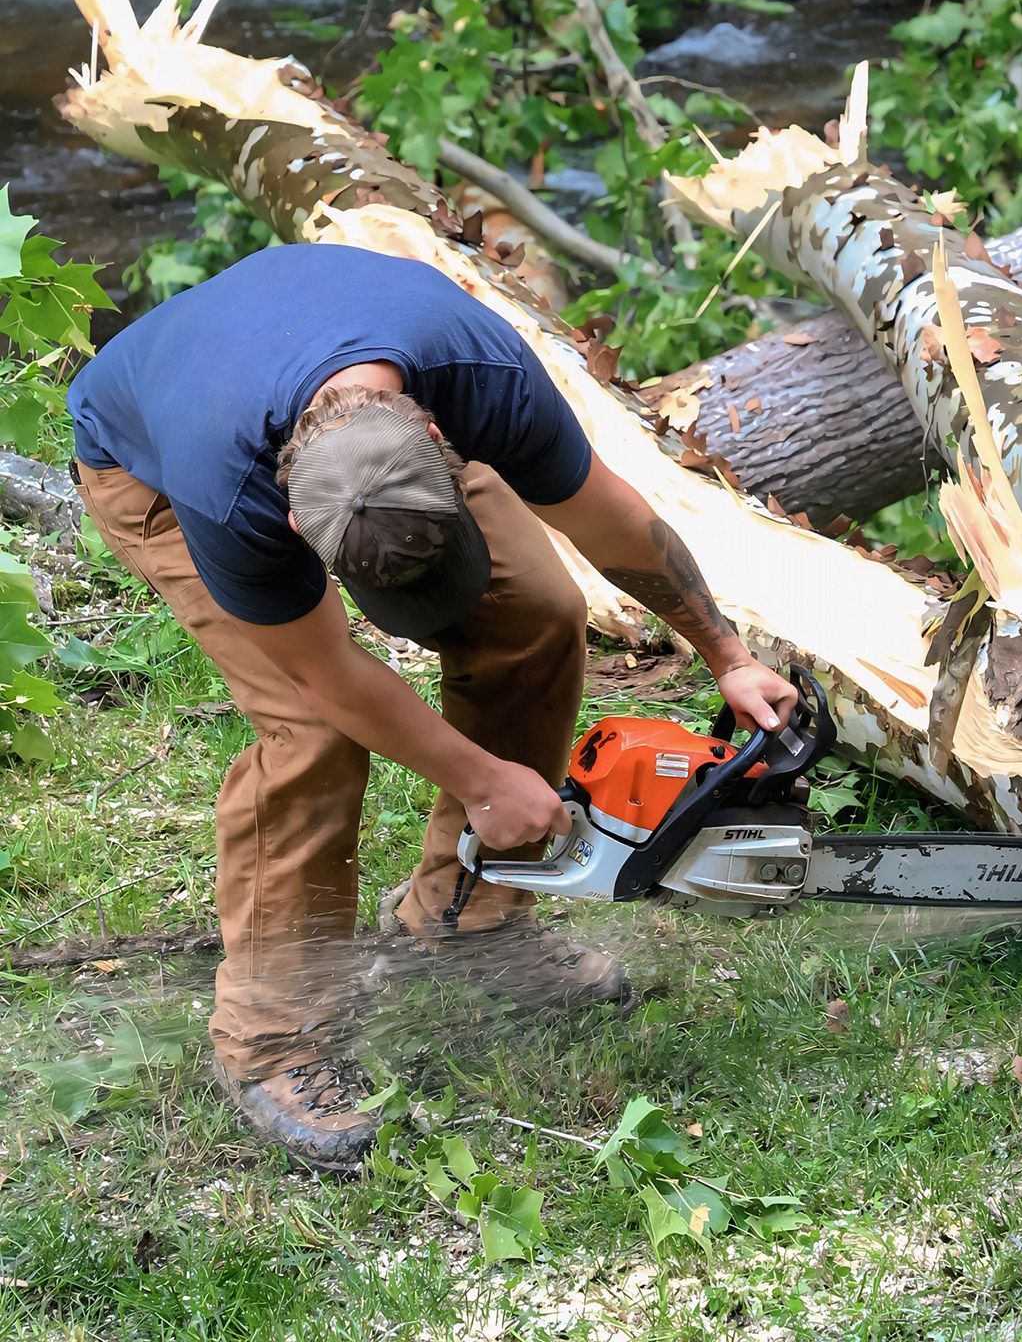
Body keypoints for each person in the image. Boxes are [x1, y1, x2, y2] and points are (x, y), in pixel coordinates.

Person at [68, 242, 795, 1174]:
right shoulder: (228, 487)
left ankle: (468, 922)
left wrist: (725, 655)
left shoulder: (481, 377)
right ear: (297, 527)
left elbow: (611, 518)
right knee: (314, 735)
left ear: (452, 455)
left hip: (349, 415)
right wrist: (485, 780)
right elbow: (323, 677)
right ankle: (272, 1036)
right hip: (153, 465)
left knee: (537, 612)